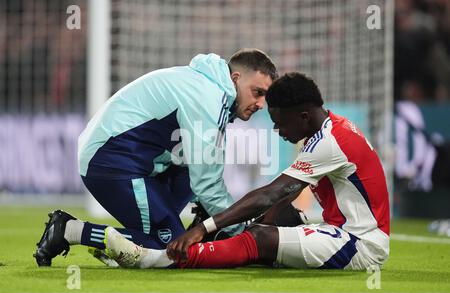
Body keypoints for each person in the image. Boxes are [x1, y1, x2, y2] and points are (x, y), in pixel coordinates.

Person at [103, 72, 390, 271]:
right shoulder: (329, 129)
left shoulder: (331, 142)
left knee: (261, 238)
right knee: (269, 226)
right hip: (341, 231)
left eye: (280, 123)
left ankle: (157, 259)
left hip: (360, 244)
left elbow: (271, 192)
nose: (277, 131)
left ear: (303, 116)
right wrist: (259, 222)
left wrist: (205, 228)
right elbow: (283, 198)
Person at [33, 49, 277, 267]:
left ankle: (143, 239)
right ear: (235, 79)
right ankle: (71, 230)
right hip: (111, 160)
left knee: (193, 167)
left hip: (132, 158)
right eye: (257, 93)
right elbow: (207, 183)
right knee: (173, 249)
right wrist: (238, 229)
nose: (261, 104)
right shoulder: (207, 97)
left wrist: (214, 221)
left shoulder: (208, 86)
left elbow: (203, 170)